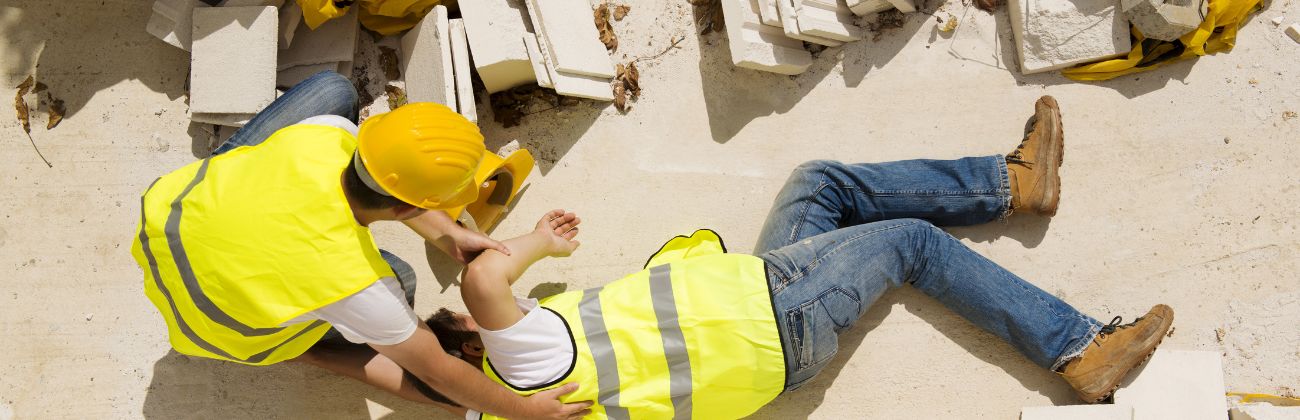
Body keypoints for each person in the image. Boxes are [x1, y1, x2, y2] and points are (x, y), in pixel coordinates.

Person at [427, 96, 1175, 419]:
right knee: (911, 243)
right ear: (470, 338)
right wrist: (535, 243)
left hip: (760, 328)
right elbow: (484, 273)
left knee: (818, 184)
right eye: (467, 321)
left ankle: (1014, 182)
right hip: (773, 314)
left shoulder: (522, 402)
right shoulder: (522, 360)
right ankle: (1079, 347)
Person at [131, 71, 591, 420]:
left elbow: (387, 186)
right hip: (216, 326)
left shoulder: (326, 133)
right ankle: (295, 342)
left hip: (168, 218)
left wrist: (448, 232)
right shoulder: (360, 285)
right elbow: (435, 372)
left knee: (333, 88)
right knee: (402, 279)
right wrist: (523, 411)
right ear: (410, 209)